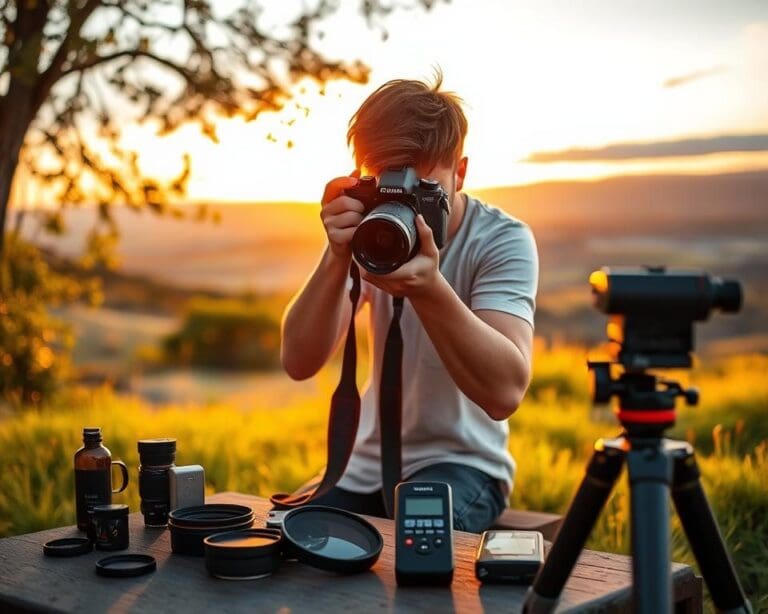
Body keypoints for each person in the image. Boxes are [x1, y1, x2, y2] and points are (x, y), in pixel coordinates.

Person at [280, 72, 538, 533]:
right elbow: (298, 361)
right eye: (385, 185)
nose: (402, 209)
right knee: (294, 541)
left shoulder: (501, 239)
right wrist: (337, 254)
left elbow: (505, 392)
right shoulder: (370, 231)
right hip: (364, 463)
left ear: (460, 172)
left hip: (462, 462)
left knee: (419, 551)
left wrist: (429, 288)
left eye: (422, 190)